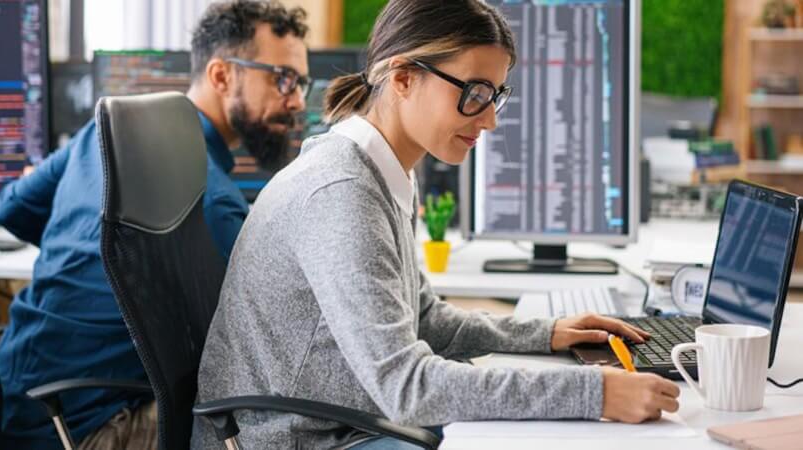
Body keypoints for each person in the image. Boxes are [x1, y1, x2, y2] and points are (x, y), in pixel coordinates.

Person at [191, 0, 681, 448]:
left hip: (337, 421)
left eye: (495, 95)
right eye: (474, 93)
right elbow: (407, 388)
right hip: (292, 439)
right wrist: (595, 393)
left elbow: (423, 317)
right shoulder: (341, 193)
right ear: (402, 77)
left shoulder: (384, 169)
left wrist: (547, 333)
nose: (488, 120)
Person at [0, 1, 309, 448]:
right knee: (284, 414)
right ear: (221, 76)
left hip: (13, 406)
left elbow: (11, 209)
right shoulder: (211, 202)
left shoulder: (104, 131)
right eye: (284, 79)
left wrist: (84, 245)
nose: (297, 99)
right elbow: (276, 345)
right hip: (85, 431)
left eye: (301, 82)